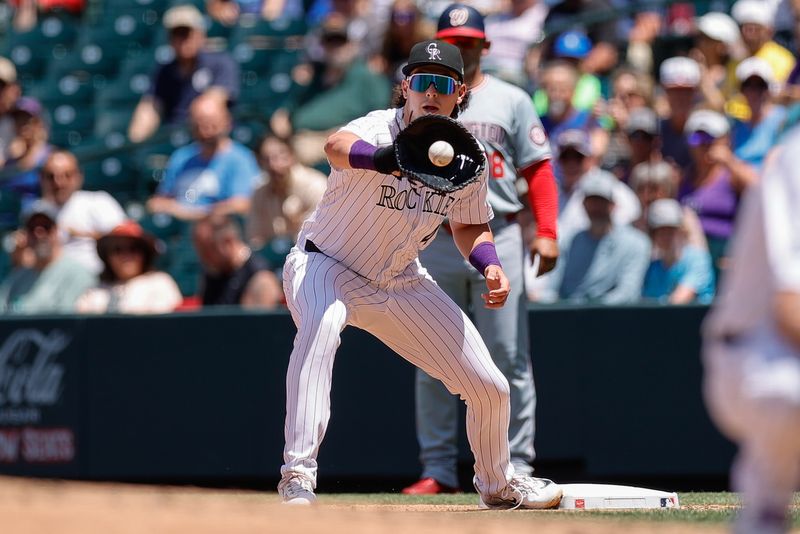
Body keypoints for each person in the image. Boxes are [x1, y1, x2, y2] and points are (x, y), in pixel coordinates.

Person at [277, 39, 563, 509]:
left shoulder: (465, 158)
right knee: (322, 328)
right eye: (422, 81)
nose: (431, 91)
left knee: (489, 386)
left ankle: (498, 483)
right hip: (324, 264)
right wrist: (385, 157)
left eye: (443, 83)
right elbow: (334, 146)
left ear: (460, 93)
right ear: (406, 87)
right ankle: (298, 478)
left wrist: (491, 265)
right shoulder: (378, 127)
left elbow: (471, 224)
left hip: (399, 280)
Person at [402, 4, 559, 495]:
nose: (463, 47)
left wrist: (548, 229)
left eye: (470, 41)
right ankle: (439, 469)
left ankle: (516, 465)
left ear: (485, 46)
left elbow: (537, 169)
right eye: (454, 40)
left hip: (501, 234)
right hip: (435, 239)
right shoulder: (423, 101)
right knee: (432, 357)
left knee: (507, 356)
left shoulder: (511, 99)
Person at [702, 129, 800, 534]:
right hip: (758, 358)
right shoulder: (795, 159)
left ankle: (762, 511)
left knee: (765, 519)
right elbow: (790, 308)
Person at [128, 5, 240, 143]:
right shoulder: (164, 70)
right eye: (177, 34)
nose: (183, 40)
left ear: (200, 35)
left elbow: (213, 104)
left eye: (187, 33)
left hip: (210, 139)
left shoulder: (220, 62)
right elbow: (150, 106)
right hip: (176, 139)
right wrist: (135, 141)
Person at [147, 92, 260, 221]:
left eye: (211, 124)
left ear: (227, 122)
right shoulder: (181, 158)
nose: (205, 131)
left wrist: (188, 213)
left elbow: (241, 205)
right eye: (198, 125)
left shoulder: (240, 159)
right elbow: (159, 201)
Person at [679, 109, 758, 279]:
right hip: (692, 259)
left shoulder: (732, 176)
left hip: (725, 254)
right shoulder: (684, 178)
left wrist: (729, 160)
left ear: (725, 140)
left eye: (710, 139)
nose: (703, 145)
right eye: (697, 139)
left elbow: (761, 190)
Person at [554, 169, 651, 303]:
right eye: (592, 201)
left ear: (613, 205)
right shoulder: (568, 242)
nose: (596, 207)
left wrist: (590, 310)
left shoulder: (637, 243)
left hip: (615, 319)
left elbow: (628, 292)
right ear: (583, 204)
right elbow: (552, 288)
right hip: (569, 318)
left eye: (601, 202)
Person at [38, 150, 126, 274]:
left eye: (67, 175)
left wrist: (83, 234)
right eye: (51, 176)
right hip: (52, 282)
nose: (58, 182)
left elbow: (125, 239)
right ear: (42, 179)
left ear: (78, 176)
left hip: (96, 279)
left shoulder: (98, 201)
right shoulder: (35, 211)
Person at [0, 200, 95, 314]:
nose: (39, 234)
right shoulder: (16, 279)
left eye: (46, 227)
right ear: (25, 234)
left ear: (56, 231)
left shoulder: (78, 274)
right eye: (32, 228)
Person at [76, 221, 183, 314]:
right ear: (108, 257)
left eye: (133, 249)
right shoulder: (95, 291)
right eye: (118, 250)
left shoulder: (160, 283)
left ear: (144, 254)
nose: (126, 256)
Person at [246, 135, 327, 251]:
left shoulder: (314, 185)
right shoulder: (259, 191)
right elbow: (255, 238)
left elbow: (318, 236)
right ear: (259, 163)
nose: (274, 165)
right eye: (266, 159)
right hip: (275, 259)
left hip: (311, 255)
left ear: (292, 156)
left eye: (280, 156)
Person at [194, 215, 283, 308]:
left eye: (207, 250)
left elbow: (255, 321)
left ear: (228, 241)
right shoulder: (212, 275)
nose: (203, 257)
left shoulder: (260, 276)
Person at [641, 198, 715, 304]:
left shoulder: (698, 259)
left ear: (682, 230)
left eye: (671, 230)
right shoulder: (653, 268)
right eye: (660, 231)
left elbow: (679, 301)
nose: (666, 236)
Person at [730, 57, 786, 169]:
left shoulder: (783, 119)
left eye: (760, 86)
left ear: (768, 89)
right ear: (741, 90)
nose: (754, 92)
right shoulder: (737, 128)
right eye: (748, 85)